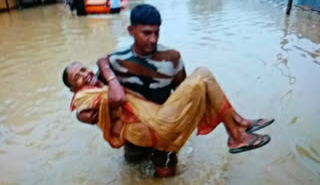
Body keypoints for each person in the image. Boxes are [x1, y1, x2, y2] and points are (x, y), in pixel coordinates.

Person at [74, 4, 274, 177]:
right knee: (133, 174)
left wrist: (196, 119)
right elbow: (92, 95)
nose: (152, 39)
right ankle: (237, 127)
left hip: (166, 129)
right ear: (131, 30)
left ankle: (236, 128)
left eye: (157, 32)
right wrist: (85, 116)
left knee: (167, 176)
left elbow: (185, 93)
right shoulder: (114, 62)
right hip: (135, 138)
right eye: (146, 33)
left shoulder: (172, 58)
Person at [63, 62, 273, 175]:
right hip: (153, 127)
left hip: (153, 125)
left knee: (166, 169)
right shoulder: (84, 100)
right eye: (77, 77)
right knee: (202, 74)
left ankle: (237, 125)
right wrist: (106, 68)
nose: (84, 74)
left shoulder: (104, 83)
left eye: (83, 69)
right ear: (73, 88)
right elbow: (104, 105)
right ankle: (236, 131)